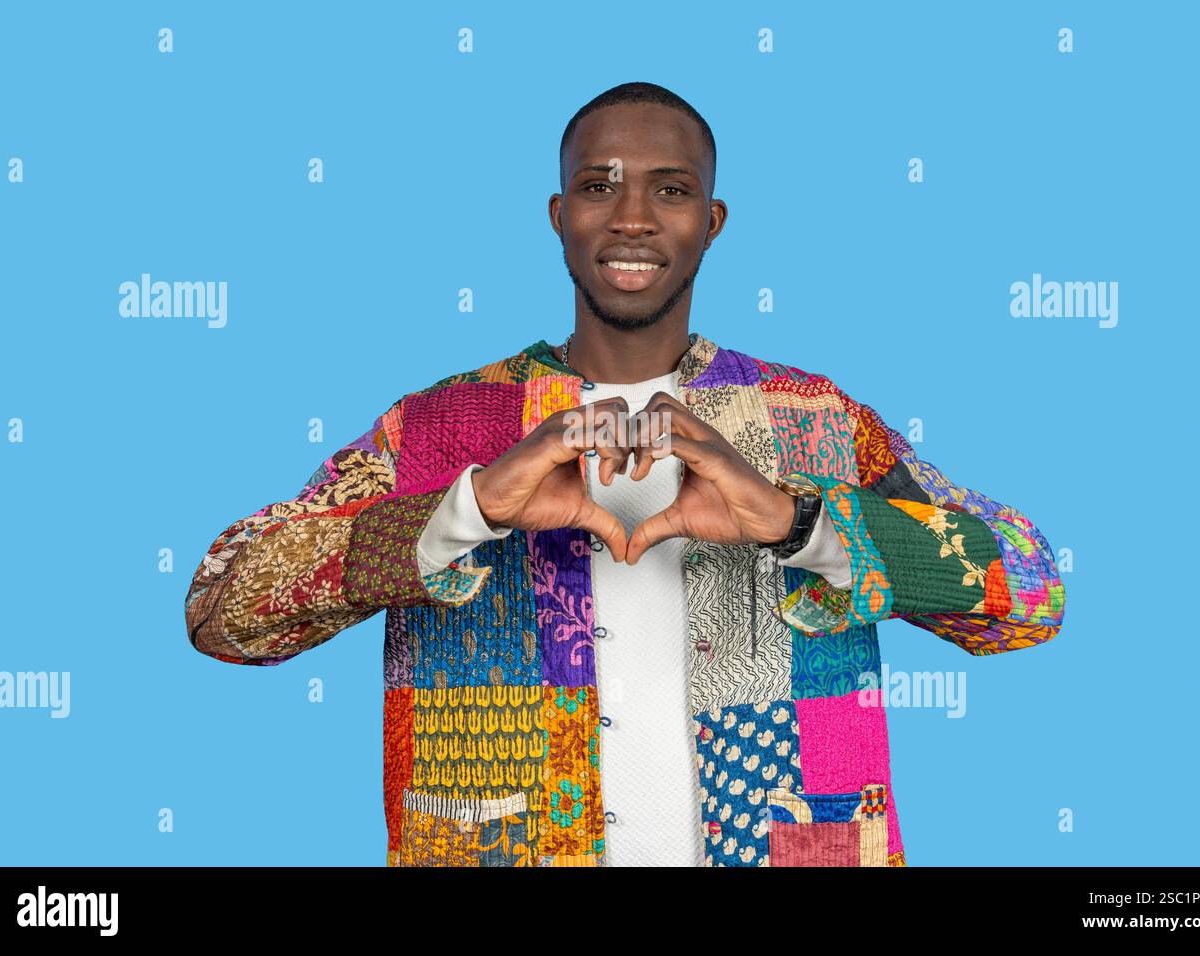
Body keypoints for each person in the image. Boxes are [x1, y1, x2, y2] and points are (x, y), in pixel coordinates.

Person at [184, 81, 1066, 868]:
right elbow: (221, 610)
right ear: (560, 212)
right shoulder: (438, 426)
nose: (633, 217)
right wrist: (468, 509)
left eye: (670, 190)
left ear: (711, 221)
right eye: (599, 186)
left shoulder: (818, 419)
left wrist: (804, 526)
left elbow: (1028, 594)